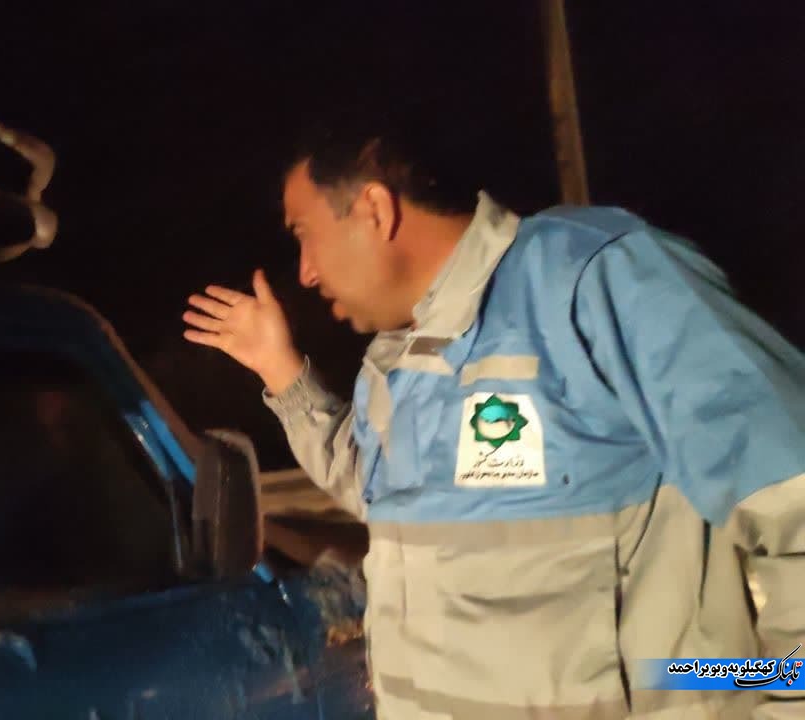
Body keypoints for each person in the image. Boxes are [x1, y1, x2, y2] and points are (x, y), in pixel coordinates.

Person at [182, 120, 805, 719]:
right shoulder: (397, 359)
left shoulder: (594, 280)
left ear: (374, 209)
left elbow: (791, 500)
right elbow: (382, 498)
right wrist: (283, 374)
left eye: (304, 234)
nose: (305, 271)